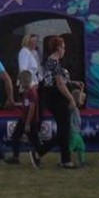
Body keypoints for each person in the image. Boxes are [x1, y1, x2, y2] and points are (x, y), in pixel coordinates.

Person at [32, 35, 79, 169]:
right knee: (64, 131)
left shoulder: (50, 61)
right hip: (57, 98)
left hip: (50, 97)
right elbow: (59, 83)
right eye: (63, 47)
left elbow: (56, 80)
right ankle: (40, 151)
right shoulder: (55, 63)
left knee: (63, 129)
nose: (64, 50)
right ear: (58, 48)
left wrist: (73, 82)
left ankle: (65, 159)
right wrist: (71, 98)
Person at [6, 70, 40, 165]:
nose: (20, 83)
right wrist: (16, 104)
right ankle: (15, 157)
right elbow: (26, 104)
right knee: (16, 136)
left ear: (25, 81)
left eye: (21, 81)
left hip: (30, 121)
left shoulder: (32, 93)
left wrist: (28, 123)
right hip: (23, 119)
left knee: (35, 140)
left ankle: (38, 157)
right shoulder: (26, 92)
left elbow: (32, 109)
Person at [69, 85, 87, 167]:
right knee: (70, 147)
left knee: (81, 146)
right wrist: (81, 91)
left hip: (77, 131)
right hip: (73, 131)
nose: (83, 101)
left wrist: (82, 89)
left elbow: (79, 101)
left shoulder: (75, 108)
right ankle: (65, 160)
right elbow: (77, 102)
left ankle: (82, 161)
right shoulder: (72, 107)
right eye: (82, 98)